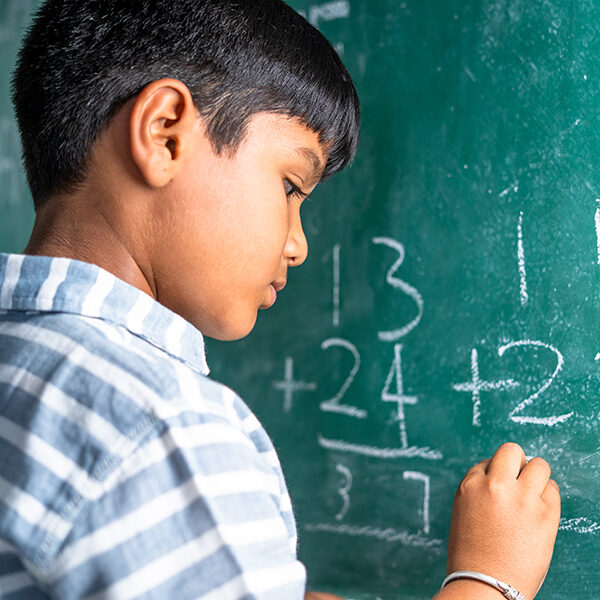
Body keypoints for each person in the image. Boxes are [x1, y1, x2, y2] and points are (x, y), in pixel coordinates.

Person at [0, 1, 559, 599]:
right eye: (291, 187)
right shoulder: (167, 427)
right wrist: (487, 579)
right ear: (164, 134)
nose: (298, 244)